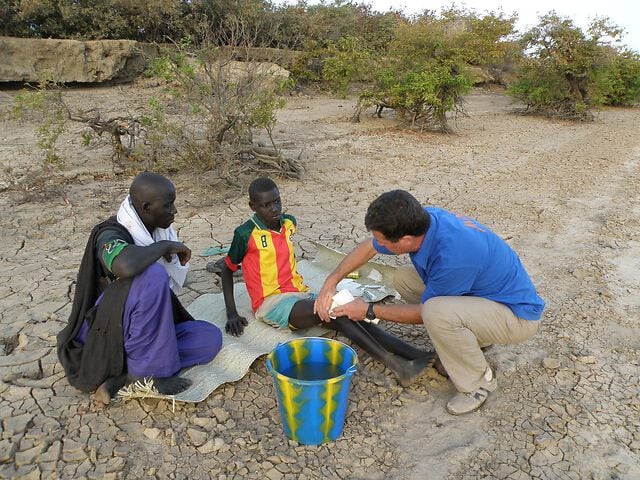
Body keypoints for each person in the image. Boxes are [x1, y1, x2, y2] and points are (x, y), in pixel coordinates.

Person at [315, 190, 545, 415]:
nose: (378, 244)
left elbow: (424, 313)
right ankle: (472, 338)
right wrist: (331, 282)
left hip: (516, 317)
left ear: (405, 240)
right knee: (404, 279)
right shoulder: (424, 221)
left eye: (382, 240)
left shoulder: (455, 256)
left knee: (436, 312)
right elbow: (368, 247)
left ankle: (477, 384)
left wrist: (368, 310)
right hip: (484, 298)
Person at [218, 178, 435, 387]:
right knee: (335, 312)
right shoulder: (246, 234)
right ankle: (398, 366)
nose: (274, 208)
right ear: (253, 206)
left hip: (299, 293)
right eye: (266, 205)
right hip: (272, 302)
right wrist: (231, 313)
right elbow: (227, 269)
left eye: (276, 201)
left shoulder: (288, 223)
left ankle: (415, 354)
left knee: (350, 313)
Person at [57, 172, 223, 404]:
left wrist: (162, 243)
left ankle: (124, 376)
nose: (174, 211)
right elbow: (125, 265)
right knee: (152, 274)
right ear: (146, 207)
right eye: (168, 205)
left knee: (208, 338)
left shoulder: (155, 230)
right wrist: (165, 246)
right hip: (102, 331)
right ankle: (147, 373)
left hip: (135, 333)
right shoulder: (111, 233)